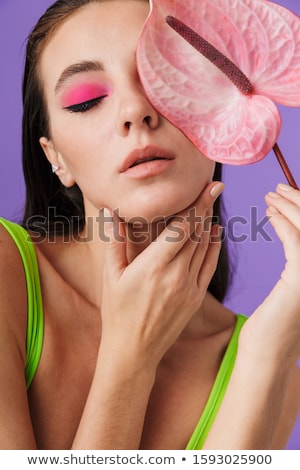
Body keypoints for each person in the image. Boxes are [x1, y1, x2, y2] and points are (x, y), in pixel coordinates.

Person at [0, 0, 299, 450]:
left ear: (218, 116)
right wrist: (130, 357)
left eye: (162, 78)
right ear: (56, 158)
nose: (135, 110)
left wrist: (266, 352)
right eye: (87, 99)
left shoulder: (272, 368)